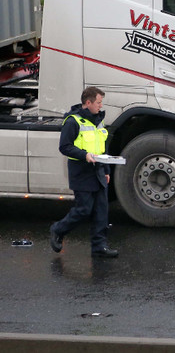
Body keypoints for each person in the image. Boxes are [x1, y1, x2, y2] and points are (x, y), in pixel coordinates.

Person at [49, 86, 119, 258]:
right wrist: (84, 155)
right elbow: (64, 147)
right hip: (81, 172)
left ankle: (99, 247)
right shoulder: (73, 121)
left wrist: (107, 169)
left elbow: (102, 147)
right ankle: (58, 229)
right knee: (84, 209)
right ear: (88, 103)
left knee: (101, 211)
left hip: (99, 171)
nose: (100, 106)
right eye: (98, 103)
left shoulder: (98, 121)